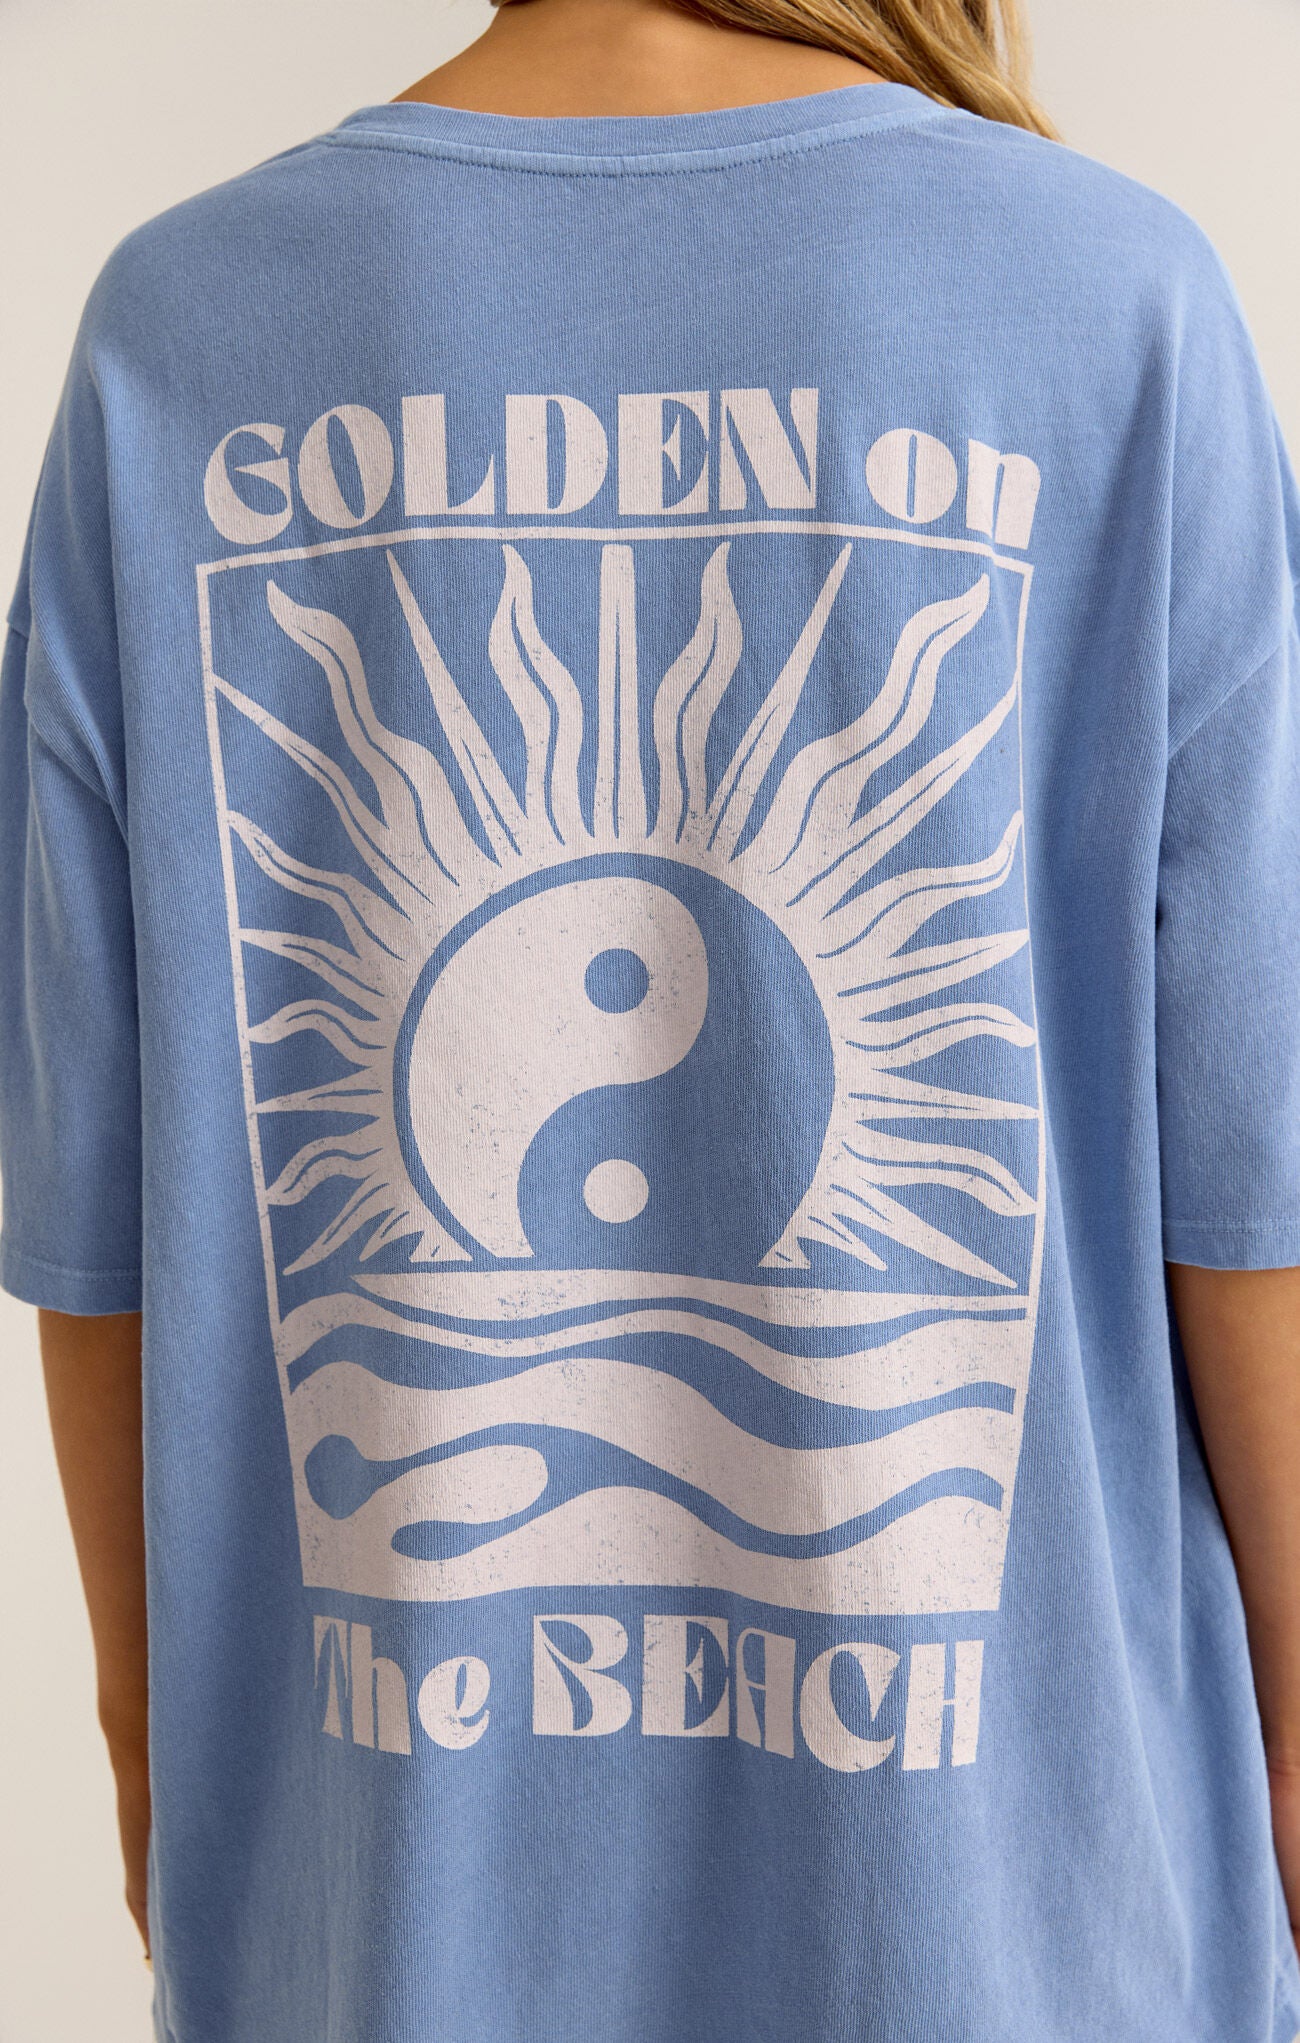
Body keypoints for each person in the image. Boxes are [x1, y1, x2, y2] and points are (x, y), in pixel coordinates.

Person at [4, 0, 1300, 2035]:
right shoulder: (1118, 307)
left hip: (381, 1938)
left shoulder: (175, 337)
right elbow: (1253, 1207)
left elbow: (97, 1236)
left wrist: (173, 1788)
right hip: (1017, 1939)